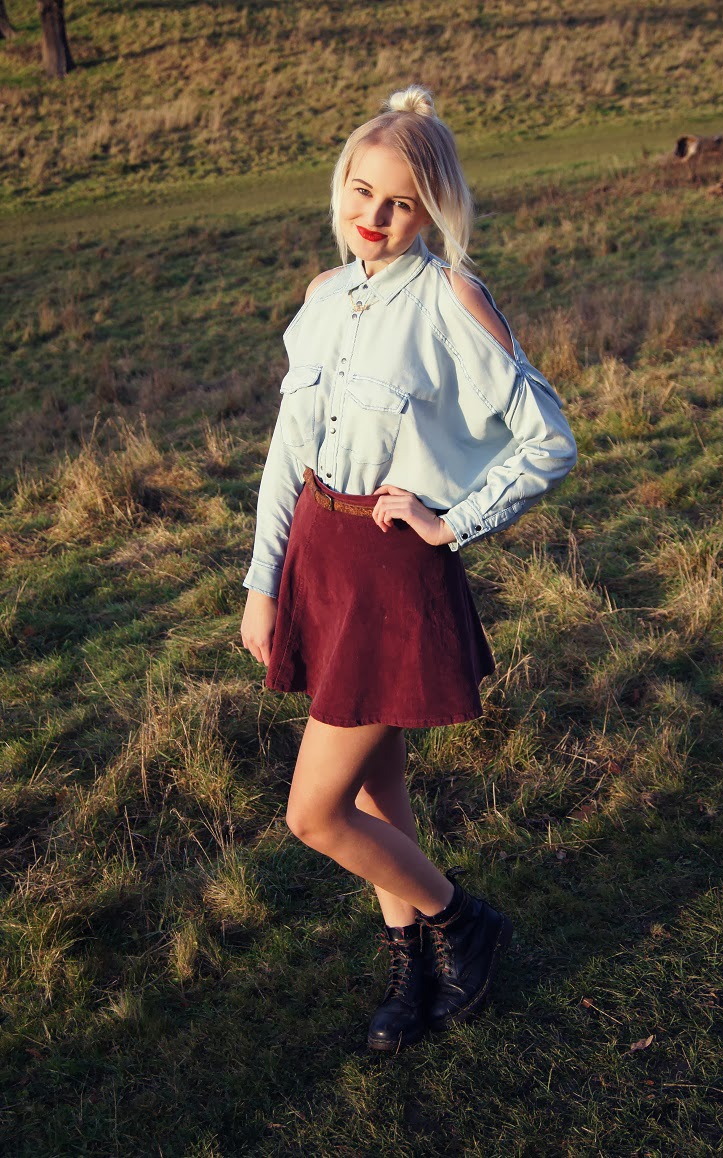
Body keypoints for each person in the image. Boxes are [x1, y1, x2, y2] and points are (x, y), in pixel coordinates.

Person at [240, 84, 577, 1053]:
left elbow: (548, 440)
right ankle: (413, 969)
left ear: (431, 208)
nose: (373, 217)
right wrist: (262, 581)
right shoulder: (323, 298)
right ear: (339, 183)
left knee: (313, 813)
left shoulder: (450, 299)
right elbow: (287, 451)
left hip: (391, 574)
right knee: (375, 794)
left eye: (398, 202)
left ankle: (461, 922)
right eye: (361, 191)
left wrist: (450, 522)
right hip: (320, 555)